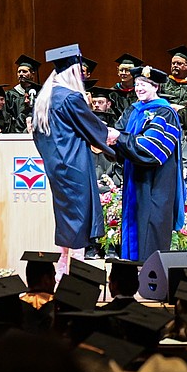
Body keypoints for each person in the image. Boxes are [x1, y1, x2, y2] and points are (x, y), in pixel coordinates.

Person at [31, 45, 114, 273]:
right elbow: (93, 128)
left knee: (67, 219)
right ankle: (75, 274)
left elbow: (37, 137)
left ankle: (63, 269)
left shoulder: (45, 98)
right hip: (74, 166)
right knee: (78, 219)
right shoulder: (69, 97)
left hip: (57, 167)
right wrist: (119, 144)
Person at [109, 65, 184, 263]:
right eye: (137, 84)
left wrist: (119, 139)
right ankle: (132, 269)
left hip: (156, 183)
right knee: (135, 222)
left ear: (155, 86)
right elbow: (117, 135)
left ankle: (151, 272)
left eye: (144, 84)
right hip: (135, 180)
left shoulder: (165, 113)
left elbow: (151, 149)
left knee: (152, 223)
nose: (139, 88)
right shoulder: (133, 111)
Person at [109, 53, 143, 120]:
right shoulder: (112, 93)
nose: (123, 73)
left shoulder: (140, 92)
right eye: (121, 70)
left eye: (127, 70)